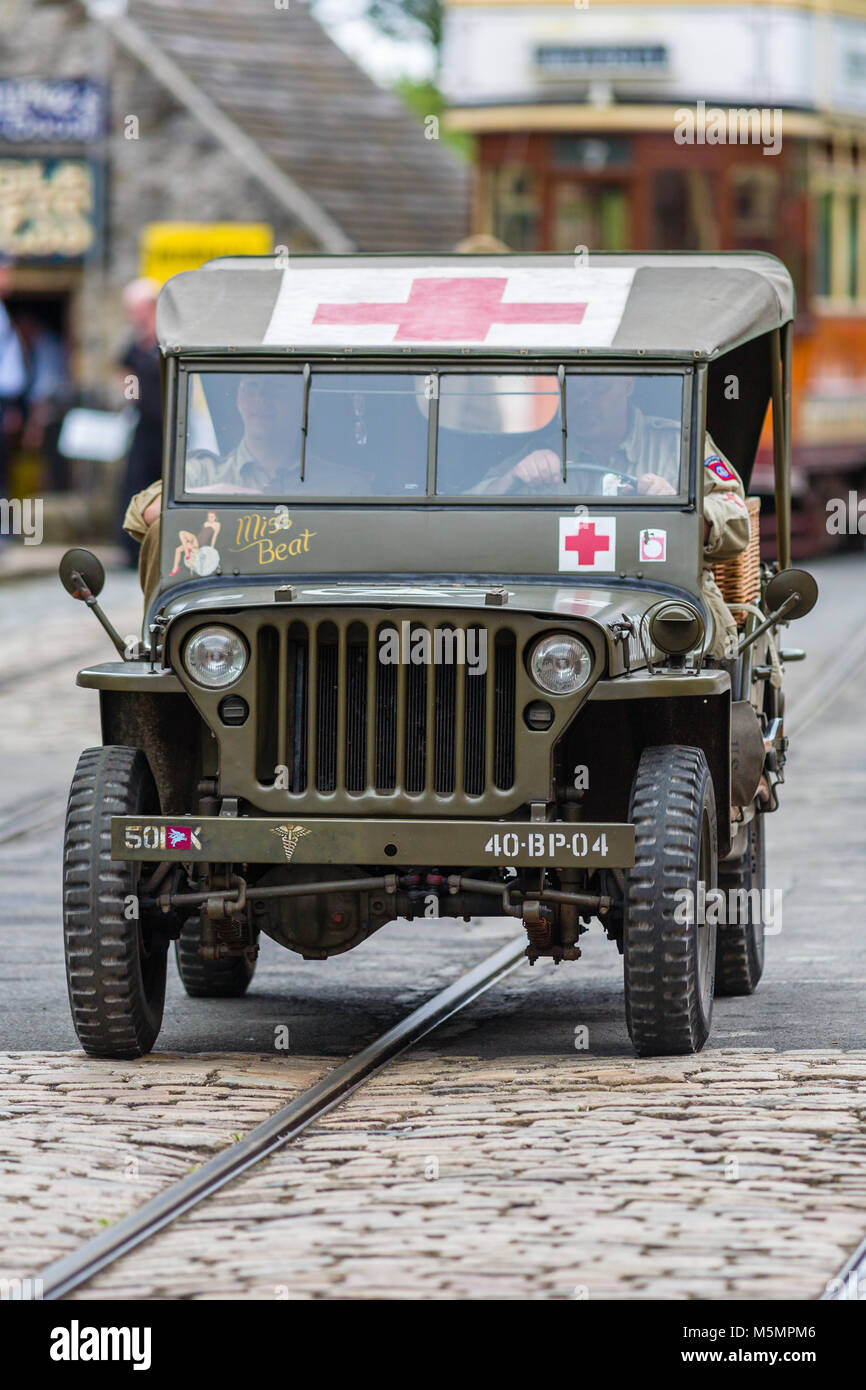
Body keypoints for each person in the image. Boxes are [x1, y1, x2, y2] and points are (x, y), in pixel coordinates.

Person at [469, 375, 749, 660]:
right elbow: (468, 518)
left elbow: (736, 517)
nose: (586, 400)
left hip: (666, 601)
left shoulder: (679, 444)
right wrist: (515, 476)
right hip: (556, 610)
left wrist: (681, 513)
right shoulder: (543, 449)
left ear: (628, 386)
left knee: (698, 664)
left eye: (600, 387)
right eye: (576, 389)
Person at [117, 278, 163, 567]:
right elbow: (127, 376)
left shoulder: (164, 342)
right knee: (134, 483)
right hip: (142, 424)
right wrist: (131, 394)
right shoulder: (135, 346)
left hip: (166, 425)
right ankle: (132, 549)